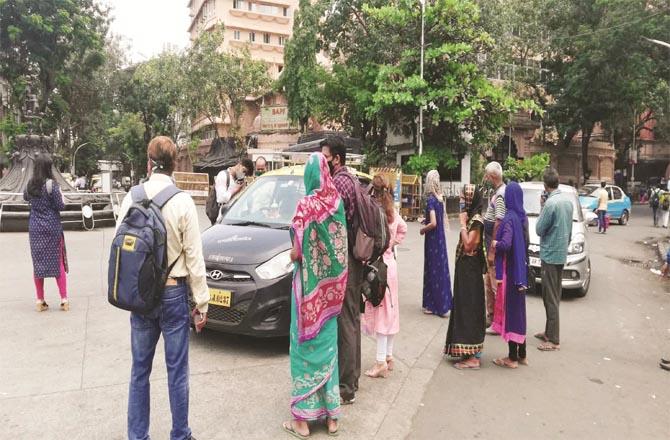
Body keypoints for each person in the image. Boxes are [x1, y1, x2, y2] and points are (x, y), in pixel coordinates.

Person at [116, 136, 209, 440]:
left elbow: (122, 247)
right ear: (174, 165)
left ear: (148, 162)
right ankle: (180, 434)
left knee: (139, 371)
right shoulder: (182, 201)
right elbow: (195, 258)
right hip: (173, 293)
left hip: (141, 298)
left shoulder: (131, 197)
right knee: (177, 371)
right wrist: (202, 303)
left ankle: (137, 436)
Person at [283, 152, 347, 438]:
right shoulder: (338, 204)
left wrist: (293, 253)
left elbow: (297, 253)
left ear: (309, 176)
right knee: (329, 350)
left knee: (303, 350)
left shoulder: (304, 207)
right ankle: (332, 417)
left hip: (307, 294)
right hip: (331, 296)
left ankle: (302, 421)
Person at [320, 135, 362, 405]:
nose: (323, 161)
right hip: (355, 258)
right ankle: (352, 378)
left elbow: (328, 221)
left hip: (345, 258)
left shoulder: (339, 183)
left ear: (336, 158)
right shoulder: (353, 179)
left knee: (345, 319)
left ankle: (346, 386)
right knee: (351, 318)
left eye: (325, 156)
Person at [362, 175, 408, 378]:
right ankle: (389, 356)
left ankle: (380, 361)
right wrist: (392, 246)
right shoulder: (392, 211)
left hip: (378, 268)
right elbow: (403, 230)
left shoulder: (374, 212)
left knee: (381, 313)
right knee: (390, 311)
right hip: (391, 266)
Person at [444, 184, 487, 370]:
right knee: (463, 307)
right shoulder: (472, 218)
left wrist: (462, 224)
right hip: (466, 271)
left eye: (463, 197)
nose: (461, 200)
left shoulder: (476, 221)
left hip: (471, 273)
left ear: (470, 199)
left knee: (469, 309)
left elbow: (469, 245)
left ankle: (473, 358)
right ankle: (465, 352)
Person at [24, 153, 69, 312]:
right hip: (52, 228)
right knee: (58, 263)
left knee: (38, 265)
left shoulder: (30, 184)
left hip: (35, 228)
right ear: (48, 168)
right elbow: (60, 206)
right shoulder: (52, 185)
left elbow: (25, 198)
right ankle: (64, 300)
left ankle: (40, 300)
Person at [491, 182, 529, 368]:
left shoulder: (509, 219)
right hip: (521, 272)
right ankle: (522, 354)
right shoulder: (523, 218)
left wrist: (495, 244)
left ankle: (512, 358)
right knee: (519, 312)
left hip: (510, 272)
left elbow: (505, 244)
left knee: (511, 312)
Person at [535, 168, 573, 352]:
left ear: (545, 184)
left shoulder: (550, 204)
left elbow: (539, 229)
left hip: (550, 254)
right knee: (553, 294)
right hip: (560, 252)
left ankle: (554, 339)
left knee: (550, 296)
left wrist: (542, 206)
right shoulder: (567, 201)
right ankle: (549, 331)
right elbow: (570, 230)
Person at [420, 169, 452, 317]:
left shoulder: (431, 200)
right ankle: (443, 303)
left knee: (432, 268)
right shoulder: (440, 198)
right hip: (441, 239)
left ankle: (433, 305)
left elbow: (433, 223)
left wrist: (423, 229)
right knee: (441, 269)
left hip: (433, 239)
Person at [483, 162, 506, 330]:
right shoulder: (498, 192)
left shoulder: (500, 195)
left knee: (494, 283)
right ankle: (491, 317)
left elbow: (498, 221)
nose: (486, 179)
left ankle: (499, 322)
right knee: (488, 283)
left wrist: (492, 250)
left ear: (492, 177)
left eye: (487, 176)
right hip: (490, 239)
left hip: (494, 242)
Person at [211, 158, 255, 223]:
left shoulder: (239, 180)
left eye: (246, 174)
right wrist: (236, 190)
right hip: (223, 219)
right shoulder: (223, 175)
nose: (243, 174)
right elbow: (221, 198)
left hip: (238, 219)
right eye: (244, 171)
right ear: (239, 165)